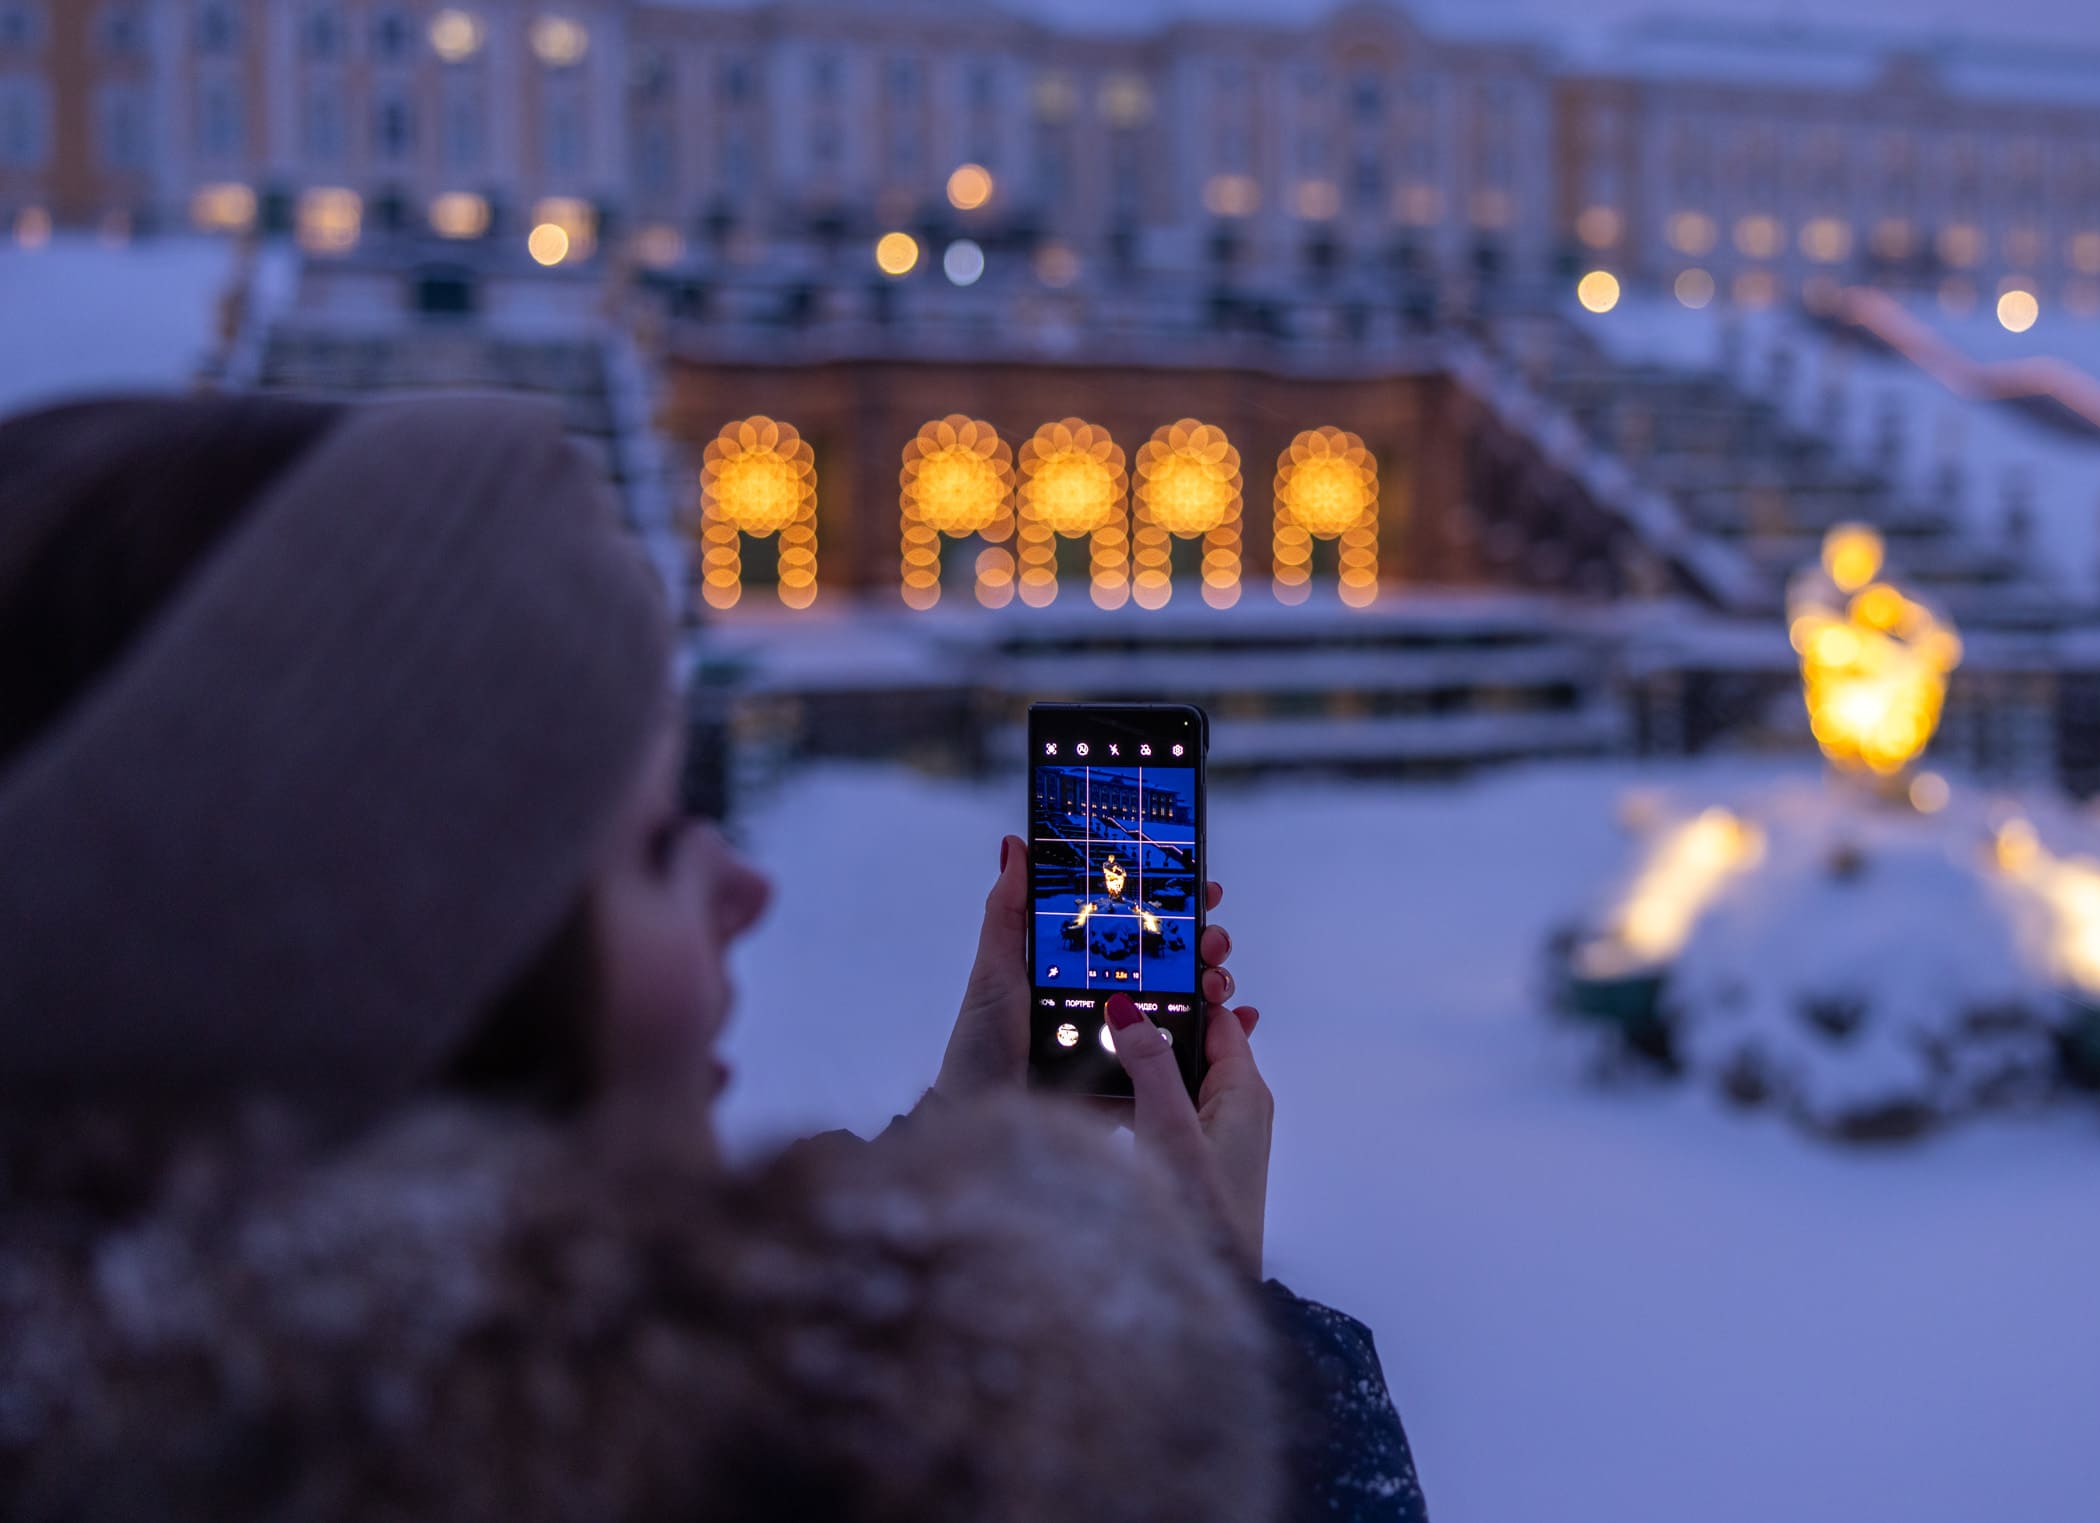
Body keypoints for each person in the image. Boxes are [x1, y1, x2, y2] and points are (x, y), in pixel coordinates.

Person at [0, 393, 1426, 1522]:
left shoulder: (165, 1415)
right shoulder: (655, 1462)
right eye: (651, 849)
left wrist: (962, 1137)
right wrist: (1220, 1355)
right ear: (399, 959)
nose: (743, 886)